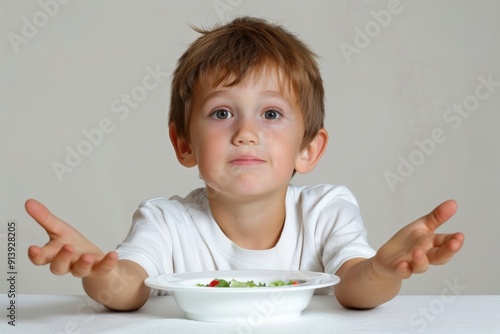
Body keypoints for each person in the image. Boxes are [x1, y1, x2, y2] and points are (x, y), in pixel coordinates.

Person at [25, 16, 464, 312]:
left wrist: (382, 271)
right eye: (221, 113)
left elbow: (356, 289)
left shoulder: (327, 211)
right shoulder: (167, 222)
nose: (246, 133)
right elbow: (128, 288)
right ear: (184, 144)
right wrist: (97, 273)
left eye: (270, 114)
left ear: (308, 149)